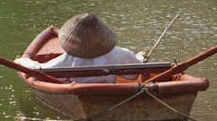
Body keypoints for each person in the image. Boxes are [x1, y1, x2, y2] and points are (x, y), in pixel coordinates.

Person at [16, 13, 146, 83]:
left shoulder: (67, 60)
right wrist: (140, 57)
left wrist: (22, 61)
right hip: (110, 92)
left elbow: (41, 71)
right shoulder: (120, 53)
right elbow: (133, 75)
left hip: (80, 91)